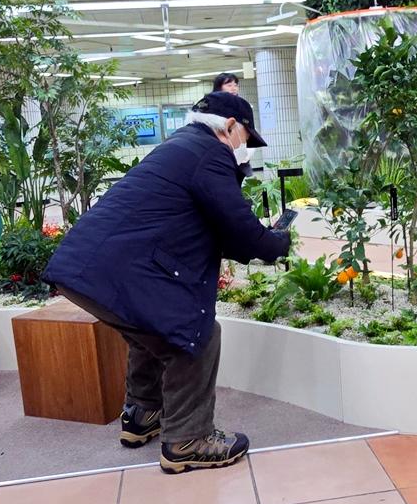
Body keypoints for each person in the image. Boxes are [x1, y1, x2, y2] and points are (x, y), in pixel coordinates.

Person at [41, 91, 290, 474]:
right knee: (195, 337)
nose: (246, 150)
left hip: (88, 269)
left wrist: (255, 242)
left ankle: (141, 416)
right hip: (118, 270)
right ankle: (188, 440)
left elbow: (214, 226)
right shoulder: (211, 153)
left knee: (153, 329)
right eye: (246, 139)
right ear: (229, 127)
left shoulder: (180, 147)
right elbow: (239, 225)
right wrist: (276, 243)